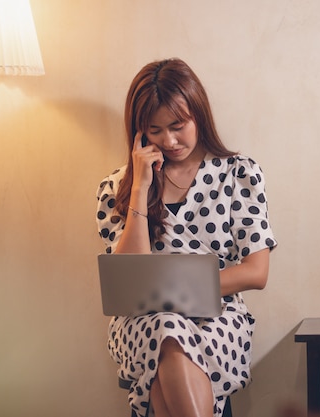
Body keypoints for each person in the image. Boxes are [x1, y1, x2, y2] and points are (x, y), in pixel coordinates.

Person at [95, 58, 277, 417]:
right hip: (141, 324)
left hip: (218, 317)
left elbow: (256, 272)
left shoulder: (239, 173)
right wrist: (140, 188)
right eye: (155, 130)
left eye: (178, 125)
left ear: (199, 114)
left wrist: (170, 296)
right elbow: (127, 288)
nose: (170, 140)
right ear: (138, 131)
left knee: (168, 341)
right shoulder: (116, 187)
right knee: (166, 328)